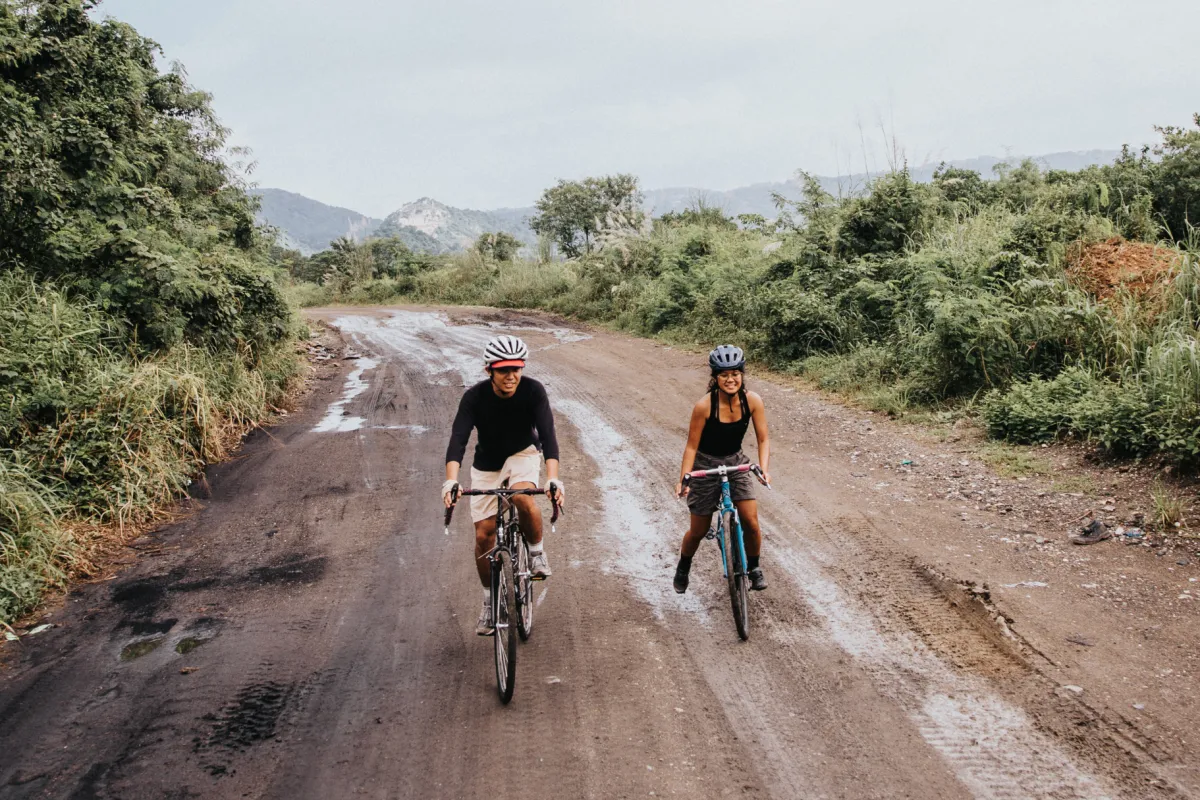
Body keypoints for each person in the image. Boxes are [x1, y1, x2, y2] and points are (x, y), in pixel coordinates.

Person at [443, 335, 565, 635]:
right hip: (487, 464)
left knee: (522, 496)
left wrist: (552, 477)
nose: (511, 376)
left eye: (517, 369)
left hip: (523, 453)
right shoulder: (474, 397)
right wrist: (451, 481)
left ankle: (536, 553)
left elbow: (549, 436)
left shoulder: (534, 391)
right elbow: (458, 440)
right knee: (483, 536)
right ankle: (489, 601)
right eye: (503, 370)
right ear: (489, 371)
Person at [673, 345, 771, 593]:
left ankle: (755, 568)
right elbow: (691, 447)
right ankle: (684, 566)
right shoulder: (705, 406)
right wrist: (683, 478)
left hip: (736, 461)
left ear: (742, 374)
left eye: (735, 373)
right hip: (705, 464)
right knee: (698, 530)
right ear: (715, 378)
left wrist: (764, 468)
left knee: (751, 521)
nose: (731, 379)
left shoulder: (753, 401)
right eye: (725, 375)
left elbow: (763, 439)